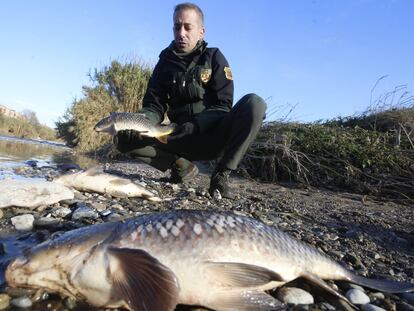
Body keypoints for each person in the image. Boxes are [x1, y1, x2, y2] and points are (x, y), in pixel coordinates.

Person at [114, 2, 266, 199]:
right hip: (176, 136)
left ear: (201, 31)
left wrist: (195, 126)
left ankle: (221, 175)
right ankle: (180, 166)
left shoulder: (215, 58)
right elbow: (153, 105)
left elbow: (223, 105)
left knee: (255, 103)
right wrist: (139, 120)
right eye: (177, 27)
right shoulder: (164, 64)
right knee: (123, 138)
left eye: (188, 27)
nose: (181, 33)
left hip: (213, 136)